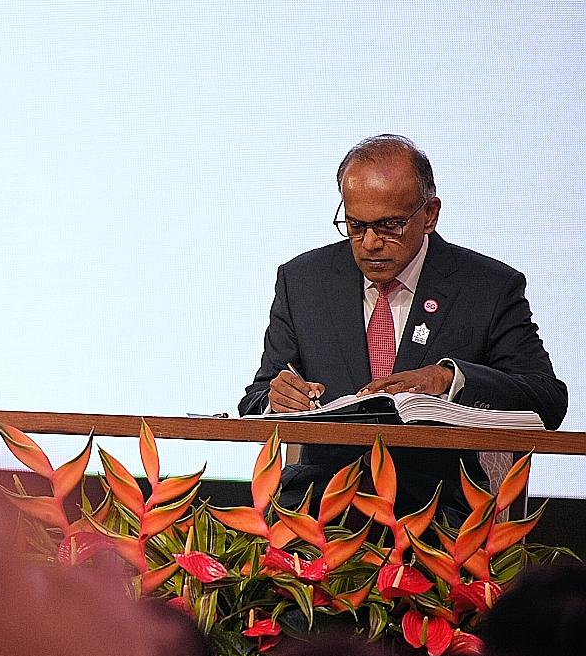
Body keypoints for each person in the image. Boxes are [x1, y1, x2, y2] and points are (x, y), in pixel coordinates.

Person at [239, 134, 567, 514]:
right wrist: (278, 400)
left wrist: (450, 379)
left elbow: (548, 400)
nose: (369, 244)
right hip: (320, 514)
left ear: (429, 214)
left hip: (437, 515)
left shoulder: (486, 287)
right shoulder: (304, 282)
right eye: (355, 225)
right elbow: (256, 399)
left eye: (389, 226)